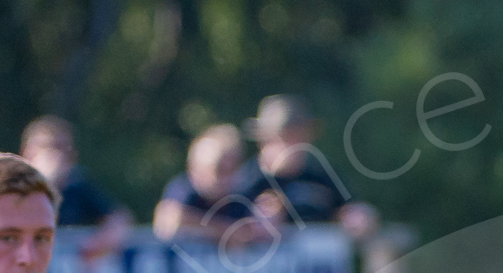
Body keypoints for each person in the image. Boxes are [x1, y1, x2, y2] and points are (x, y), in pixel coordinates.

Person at [238, 95, 376, 239]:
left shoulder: (321, 172)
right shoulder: (248, 179)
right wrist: (254, 226)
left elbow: (349, 208)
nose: (294, 143)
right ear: (263, 139)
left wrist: (359, 217)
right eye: (285, 135)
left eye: (300, 134)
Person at [21, 116, 131, 262]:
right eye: (46, 147)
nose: (55, 155)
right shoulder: (11, 187)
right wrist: (45, 182)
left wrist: (97, 244)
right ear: (27, 153)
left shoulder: (77, 186)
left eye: (61, 147)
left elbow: (119, 219)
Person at [153, 124, 259, 244]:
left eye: (232, 168)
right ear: (195, 168)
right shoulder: (183, 189)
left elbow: (252, 231)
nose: (224, 178)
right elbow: (169, 220)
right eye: (218, 169)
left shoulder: (243, 192)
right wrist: (227, 231)